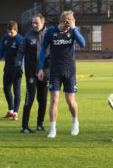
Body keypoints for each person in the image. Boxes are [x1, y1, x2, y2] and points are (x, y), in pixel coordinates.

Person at [38, 10, 86, 138]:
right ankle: (53, 129)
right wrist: (41, 68)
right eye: (66, 25)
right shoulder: (51, 32)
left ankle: (75, 121)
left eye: (69, 26)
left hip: (70, 71)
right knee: (54, 100)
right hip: (55, 71)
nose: (67, 28)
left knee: (70, 101)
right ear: (61, 22)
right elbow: (43, 49)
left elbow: (83, 44)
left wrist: (74, 29)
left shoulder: (72, 31)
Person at [17, 14, 49, 133]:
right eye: (33, 23)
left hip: (45, 73)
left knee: (43, 99)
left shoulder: (48, 35)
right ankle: (24, 126)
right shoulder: (28, 36)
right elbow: (21, 51)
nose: (34, 25)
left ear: (43, 22)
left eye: (36, 23)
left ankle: (39, 124)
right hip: (31, 72)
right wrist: (18, 63)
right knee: (29, 98)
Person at [0, 21, 24, 121]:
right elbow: (1, 50)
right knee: (6, 89)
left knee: (16, 90)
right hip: (7, 68)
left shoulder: (20, 39)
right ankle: (10, 110)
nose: (9, 34)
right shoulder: (5, 38)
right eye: (8, 32)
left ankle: (16, 112)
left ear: (16, 30)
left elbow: (22, 54)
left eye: (11, 32)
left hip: (16, 69)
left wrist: (20, 67)